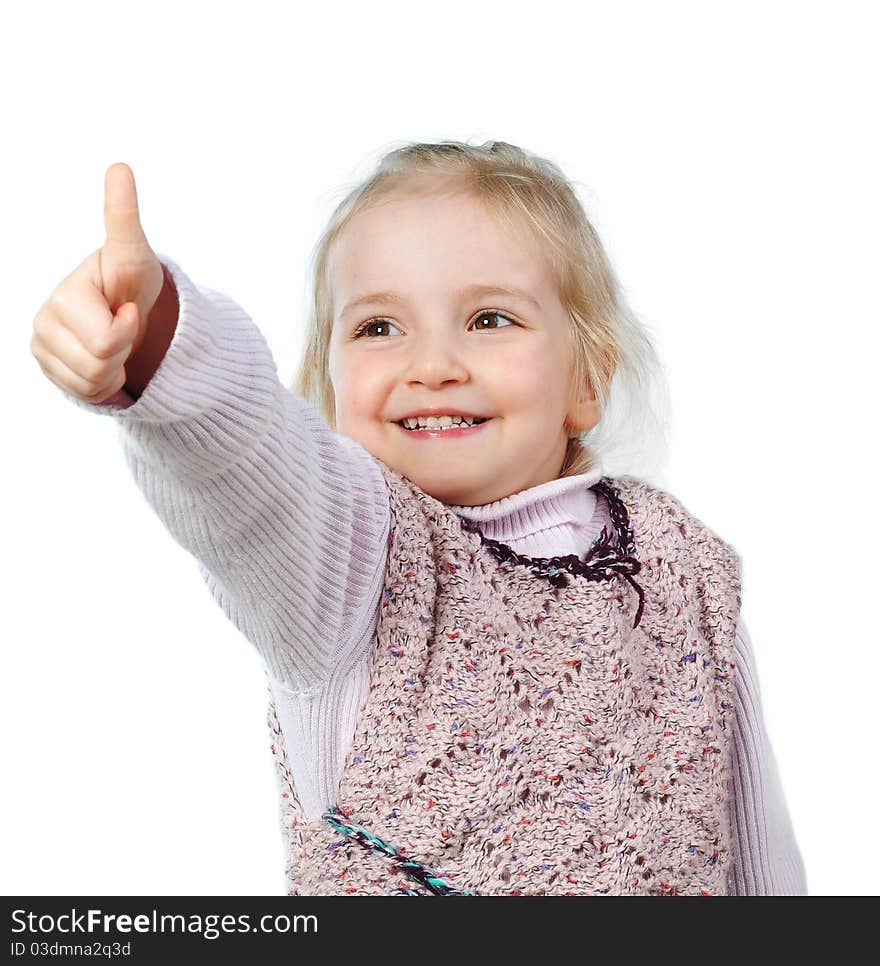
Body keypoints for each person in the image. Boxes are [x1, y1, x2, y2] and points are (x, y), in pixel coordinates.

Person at [30, 142, 807, 895]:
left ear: (587, 378)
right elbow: (248, 472)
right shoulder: (349, 567)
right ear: (330, 394)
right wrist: (159, 346)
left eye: (491, 319)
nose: (432, 363)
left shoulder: (683, 566)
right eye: (378, 328)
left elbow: (755, 851)